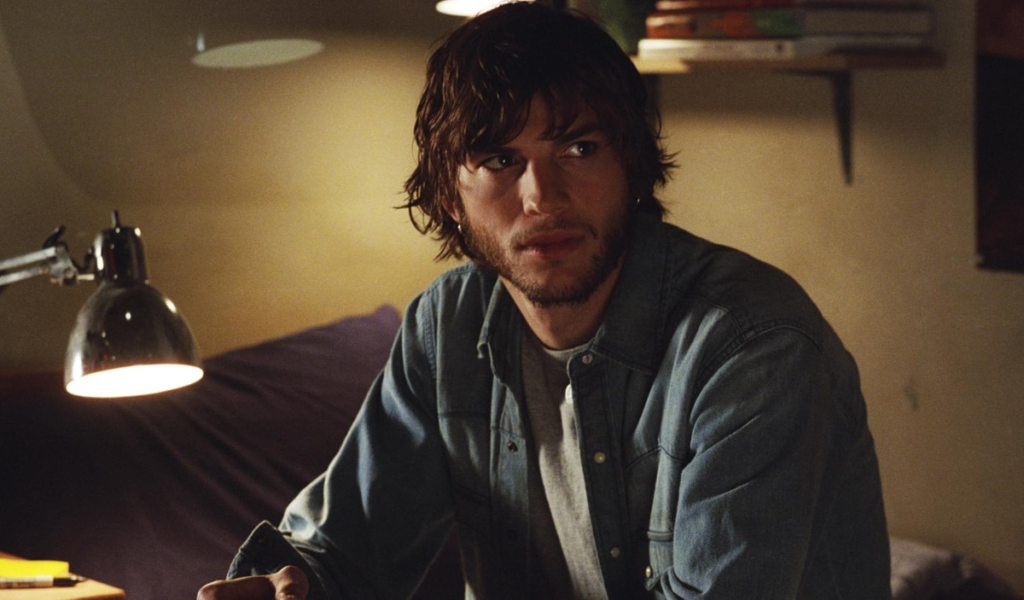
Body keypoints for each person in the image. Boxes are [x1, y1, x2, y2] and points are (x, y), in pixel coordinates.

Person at [197, 3, 891, 599]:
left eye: (579, 149)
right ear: (450, 197)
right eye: (500, 160)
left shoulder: (753, 345)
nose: (542, 198)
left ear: (631, 166)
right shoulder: (448, 325)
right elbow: (345, 550)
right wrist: (292, 586)